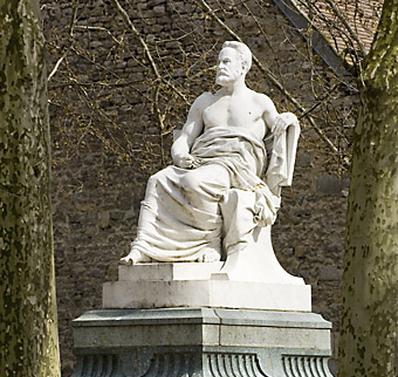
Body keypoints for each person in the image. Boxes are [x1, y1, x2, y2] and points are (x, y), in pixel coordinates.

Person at [121, 41, 300, 265]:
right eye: (218, 63)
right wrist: (180, 155)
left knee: (196, 182)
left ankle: (209, 243)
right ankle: (143, 246)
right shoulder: (205, 102)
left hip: (235, 166)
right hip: (203, 160)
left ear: (243, 67)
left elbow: (279, 126)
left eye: (226, 62)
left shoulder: (259, 101)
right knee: (157, 180)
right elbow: (186, 137)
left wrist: (289, 119)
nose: (219, 67)